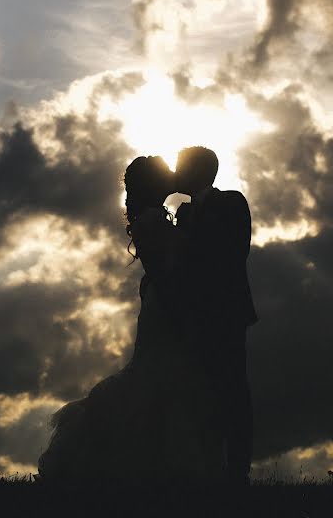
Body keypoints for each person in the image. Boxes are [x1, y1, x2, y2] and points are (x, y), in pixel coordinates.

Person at [36, 156, 224, 483]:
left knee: (169, 377)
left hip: (167, 301)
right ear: (154, 184)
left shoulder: (161, 217)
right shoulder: (150, 221)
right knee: (159, 376)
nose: (172, 178)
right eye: (165, 175)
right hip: (166, 304)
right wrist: (180, 307)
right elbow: (164, 269)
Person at [173, 145, 257, 485]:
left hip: (226, 310)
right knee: (200, 390)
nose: (176, 173)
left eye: (181, 166)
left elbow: (237, 252)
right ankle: (207, 467)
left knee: (233, 389)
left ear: (199, 171)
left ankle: (238, 471)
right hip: (194, 314)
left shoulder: (232, 202)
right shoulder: (182, 211)